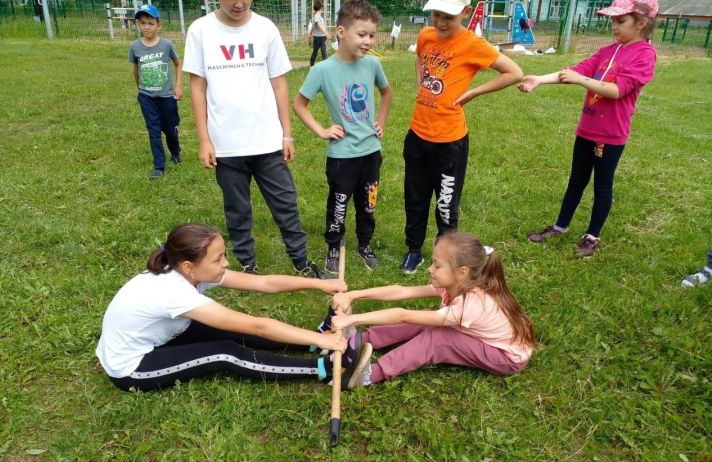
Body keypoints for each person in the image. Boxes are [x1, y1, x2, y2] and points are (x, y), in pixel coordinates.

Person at [96, 223, 372, 392]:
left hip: (165, 335)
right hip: (132, 366)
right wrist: (325, 338)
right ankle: (324, 369)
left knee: (218, 328)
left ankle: (316, 344)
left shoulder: (188, 271)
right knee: (224, 353)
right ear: (189, 266)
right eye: (218, 259)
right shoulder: (174, 292)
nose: (226, 263)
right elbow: (256, 325)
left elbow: (263, 283)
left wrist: (318, 285)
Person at [183, 0, 324, 277]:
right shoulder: (200, 30)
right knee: (237, 209)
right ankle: (248, 265)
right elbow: (198, 89)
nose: (239, 3)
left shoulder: (265, 28)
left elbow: (279, 83)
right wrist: (204, 139)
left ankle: (301, 262)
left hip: (267, 141)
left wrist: (286, 134)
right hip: (226, 144)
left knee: (286, 204)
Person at [519, 0, 658, 258]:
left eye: (620, 21)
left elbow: (617, 90)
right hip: (587, 130)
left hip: (610, 136)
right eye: (613, 21)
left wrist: (582, 80)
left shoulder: (645, 55)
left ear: (640, 23)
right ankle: (560, 226)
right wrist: (539, 79)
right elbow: (576, 70)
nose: (613, 26)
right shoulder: (608, 51)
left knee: (602, 185)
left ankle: (592, 236)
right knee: (576, 180)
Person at [399, 0, 522, 275]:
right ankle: (414, 250)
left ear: (466, 13)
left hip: (450, 142)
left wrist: (474, 92)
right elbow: (420, 57)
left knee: (445, 204)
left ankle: (446, 256)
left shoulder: (473, 45)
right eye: (436, 15)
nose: (440, 23)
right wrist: (422, 80)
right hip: (418, 135)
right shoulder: (425, 36)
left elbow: (514, 72)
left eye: (448, 17)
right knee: (415, 197)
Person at [330, 230, 536, 384]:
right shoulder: (458, 283)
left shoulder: (469, 305)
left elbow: (403, 315)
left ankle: (368, 375)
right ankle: (361, 340)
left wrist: (351, 319)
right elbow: (402, 291)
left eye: (437, 265)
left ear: (461, 272)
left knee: (438, 339)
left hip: (506, 358)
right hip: (492, 337)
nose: (430, 269)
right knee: (428, 317)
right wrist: (353, 295)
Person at [293, 0, 392, 275]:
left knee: (368, 202)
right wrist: (322, 131)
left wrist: (380, 122)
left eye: (372, 35)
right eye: (362, 34)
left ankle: (364, 245)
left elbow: (386, 92)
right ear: (340, 31)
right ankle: (334, 245)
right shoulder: (322, 71)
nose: (368, 41)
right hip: (342, 155)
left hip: (371, 151)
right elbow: (299, 104)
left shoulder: (372, 65)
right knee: (338, 203)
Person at [129, 4, 182, 179]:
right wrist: (140, 88)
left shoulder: (167, 45)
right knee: (153, 130)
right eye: (143, 23)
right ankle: (159, 166)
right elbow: (136, 69)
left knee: (169, 129)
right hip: (146, 97)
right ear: (138, 24)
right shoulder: (135, 46)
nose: (147, 27)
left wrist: (178, 86)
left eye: (151, 23)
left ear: (159, 25)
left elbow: (178, 64)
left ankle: (175, 153)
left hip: (166, 96)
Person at [309, 1, 332, 66]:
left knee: (323, 52)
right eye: (322, 8)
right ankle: (312, 65)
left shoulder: (317, 16)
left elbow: (313, 25)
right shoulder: (317, 16)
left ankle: (324, 66)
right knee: (317, 52)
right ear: (321, 8)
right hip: (319, 38)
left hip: (321, 37)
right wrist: (326, 34)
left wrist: (310, 33)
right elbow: (319, 25)